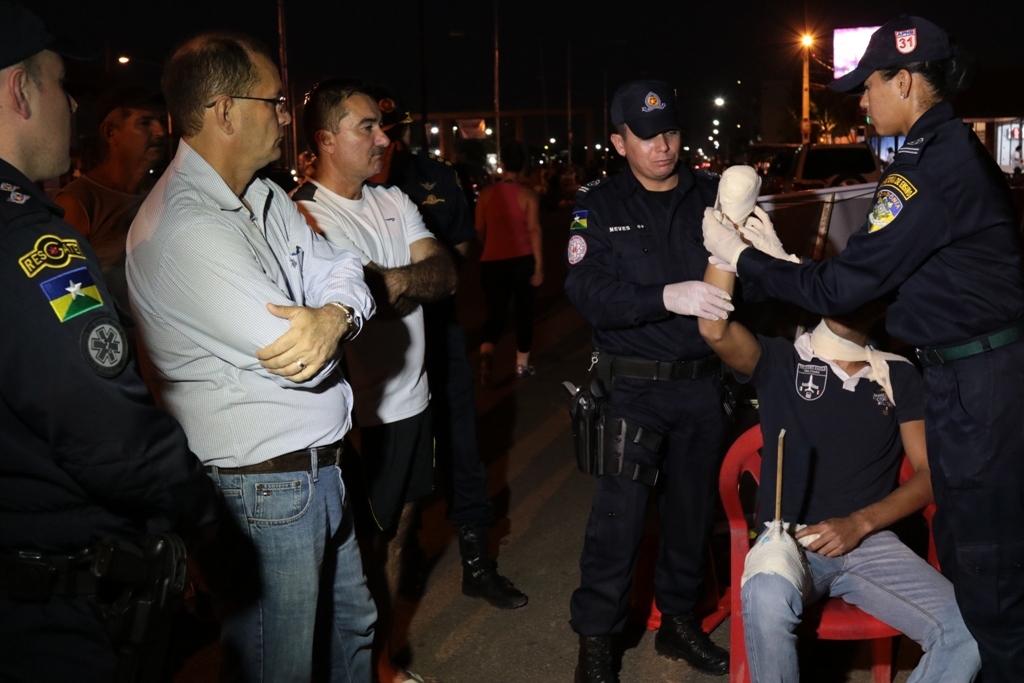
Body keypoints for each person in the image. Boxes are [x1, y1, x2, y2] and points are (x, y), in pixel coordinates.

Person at [702, 16, 1024, 681]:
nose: (861, 100)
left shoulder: (932, 168)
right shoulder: (931, 157)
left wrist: (748, 260)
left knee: (992, 588)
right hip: (968, 377)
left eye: (868, 85)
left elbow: (851, 283)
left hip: (983, 386)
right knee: (971, 565)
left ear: (904, 81)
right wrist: (784, 260)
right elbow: (873, 285)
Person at [126, 35, 376, 683]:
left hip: (316, 472)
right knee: (280, 667)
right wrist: (328, 318)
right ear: (224, 110)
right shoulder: (186, 227)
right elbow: (303, 361)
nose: (288, 115)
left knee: (352, 633)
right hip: (263, 490)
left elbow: (346, 269)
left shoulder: (263, 197)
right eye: (275, 101)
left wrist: (334, 313)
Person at [0, 4, 221, 681]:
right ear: (19, 90)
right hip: (44, 614)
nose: (71, 103)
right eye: (62, 83)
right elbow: (108, 434)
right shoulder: (32, 244)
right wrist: (206, 513)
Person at [698, 262, 980, 683]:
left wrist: (861, 523)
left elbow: (929, 474)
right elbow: (714, 329)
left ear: (882, 306)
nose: (848, 296)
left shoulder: (897, 374)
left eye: (863, 288)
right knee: (766, 595)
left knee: (970, 632)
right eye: (839, 286)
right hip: (791, 538)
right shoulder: (783, 358)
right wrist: (724, 244)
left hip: (870, 541)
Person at [564, 79, 735, 683]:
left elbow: (751, 281)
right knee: (618, 521)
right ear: (618, 141)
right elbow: (587, 291)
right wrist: (666, 295)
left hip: (701, 385)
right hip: (632, 387)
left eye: (669, 133)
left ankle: (680, 623)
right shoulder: (598, 205)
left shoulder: (713, 197)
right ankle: (597, 644)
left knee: (691, 515)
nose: (661, 146)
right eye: (644, 136)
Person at [293, 78, 456, 683]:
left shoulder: (393, 201)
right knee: (357, 549)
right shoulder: (301, 214)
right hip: (354, 418)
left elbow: (443, 273)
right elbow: (346, 305)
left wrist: (386, 283)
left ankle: (380, 660)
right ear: (327, 139)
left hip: (413, 401)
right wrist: (392, 283)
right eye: (367, 126)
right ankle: (360, 667)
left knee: (402, 530)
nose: (384, 138)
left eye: (381, 126)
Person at [367, 88, 528, 611]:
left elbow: (458, 255)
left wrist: (414, 281)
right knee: (390, 459)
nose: (385, 142)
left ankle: (478, 564)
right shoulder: (349, 187)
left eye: (392, 132)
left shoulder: (434, 179)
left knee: (462, 446)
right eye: (375, 131)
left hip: (438, 334)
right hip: (375, 352)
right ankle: (403, 557)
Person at [53, 84, 166, 313]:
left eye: (161, 120)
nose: (160, 131)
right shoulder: (77, 202)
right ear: (110, 133)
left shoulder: (167, 192)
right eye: (145, 123)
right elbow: (64, 298)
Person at [475, 139, 544, 382]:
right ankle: (521, 365)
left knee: (495, 314)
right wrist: (538, 267)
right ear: (523, 165)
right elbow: (535, 230)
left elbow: (480, 229)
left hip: (491, 262)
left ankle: (486, 351)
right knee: (524, 314)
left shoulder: (485, 194)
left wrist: (491, 248)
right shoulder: (528, 195)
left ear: (502, 164)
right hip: (522, 260)